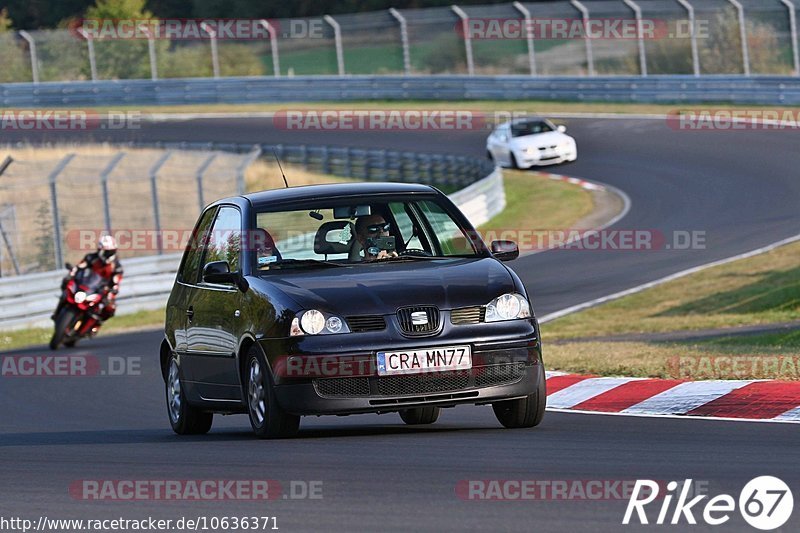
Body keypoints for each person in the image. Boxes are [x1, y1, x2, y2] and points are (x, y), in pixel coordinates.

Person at [52, 235, 123, 323]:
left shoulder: (116, 267)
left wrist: (112, 291)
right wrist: (71, 274)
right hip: (87, 285)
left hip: (101, 289)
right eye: (107, 252)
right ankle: (57, 311)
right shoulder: (91, 258)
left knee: (110, 308)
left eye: (111, 251)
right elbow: (79, 267)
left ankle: (97, 322)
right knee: (66, 283)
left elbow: (116, 281)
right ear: (100, 250)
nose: (109, 254)